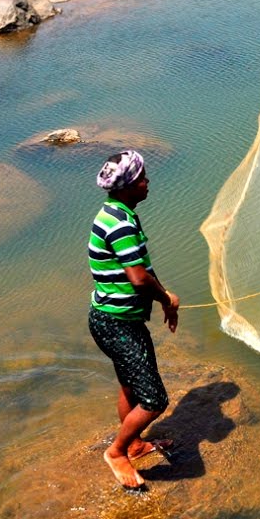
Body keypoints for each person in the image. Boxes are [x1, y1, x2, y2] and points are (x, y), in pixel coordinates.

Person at [86, 149, 180, 488]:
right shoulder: (121, 223)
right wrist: (166, 298)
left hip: (108, 318)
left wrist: (166, 300)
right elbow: (139, 279)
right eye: (142, 178)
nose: (147, 182)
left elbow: (143, 271)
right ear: (127, 186)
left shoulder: (115, 211)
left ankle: (137, 444)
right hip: (117, 324)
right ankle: (117, 451)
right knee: (155, 399)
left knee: (129, 383)